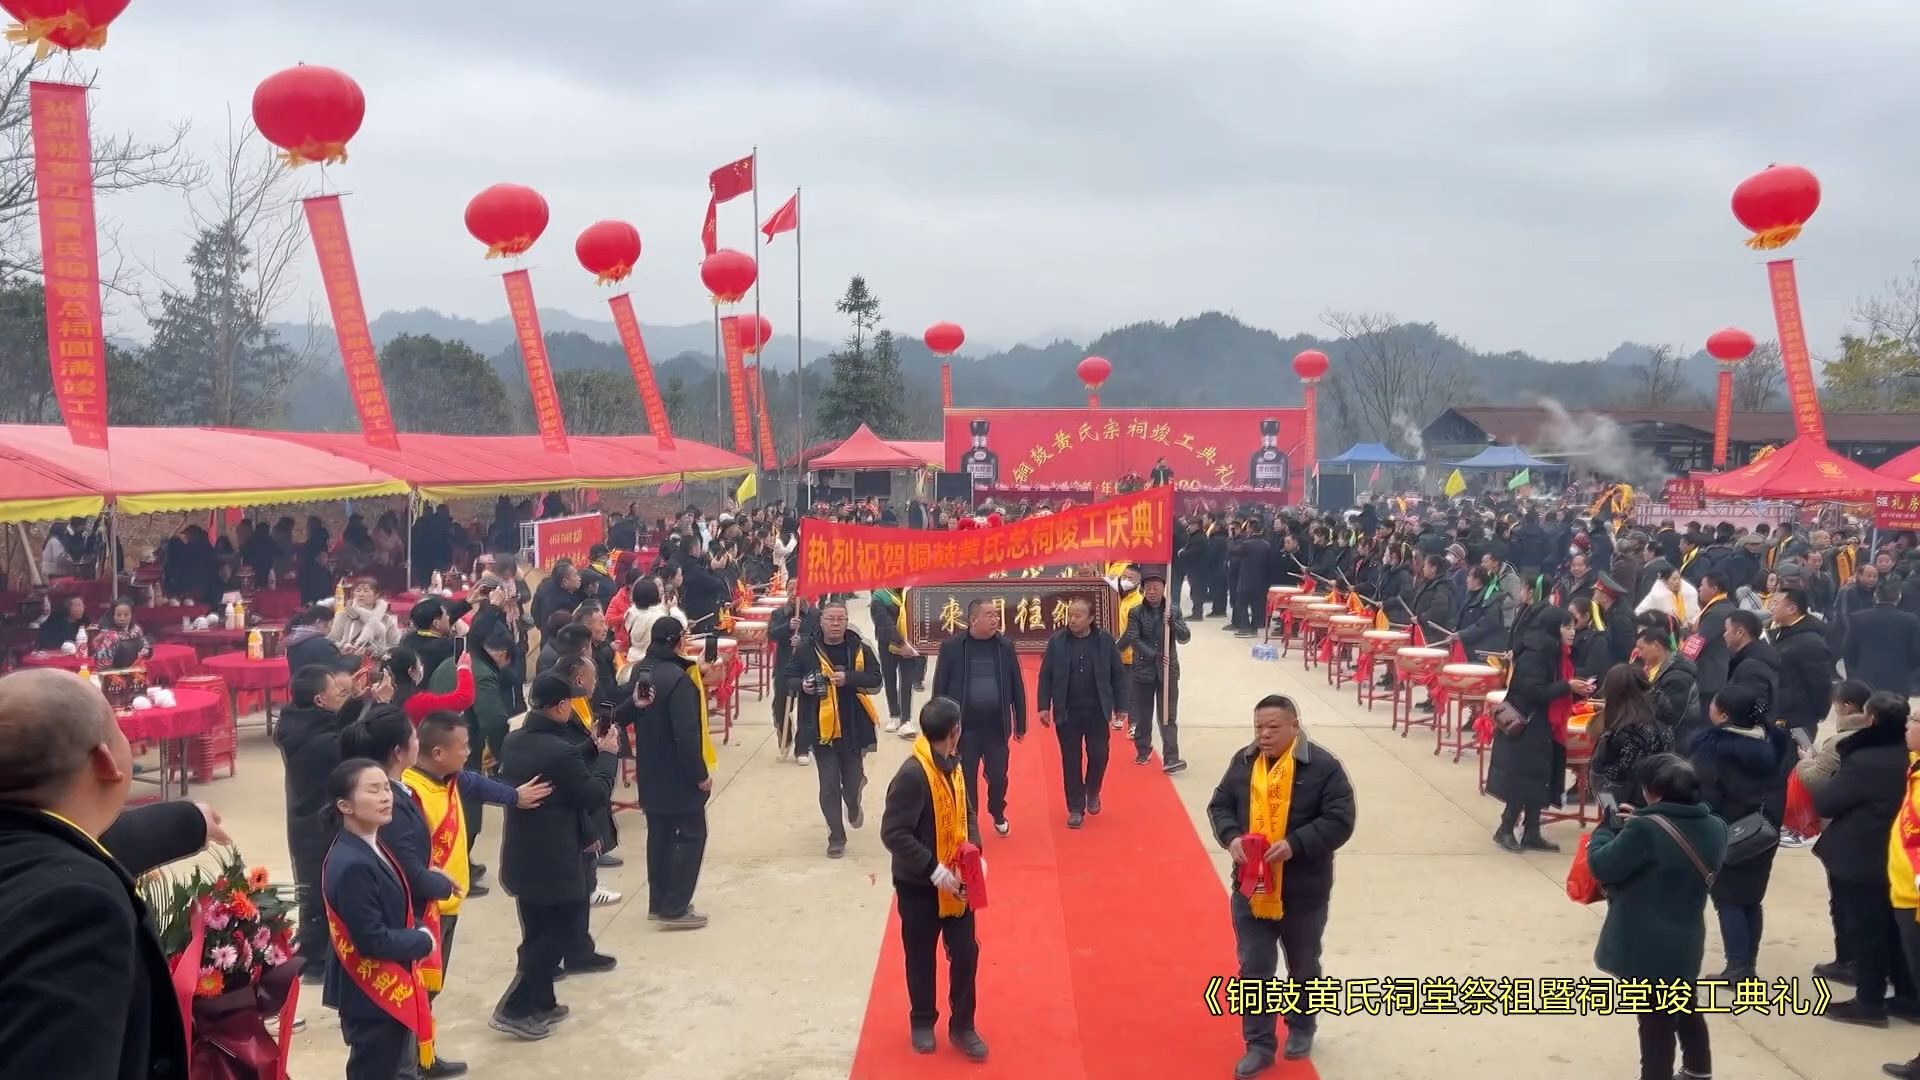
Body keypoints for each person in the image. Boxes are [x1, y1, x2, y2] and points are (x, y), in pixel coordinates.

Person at [0, 668, 225, 1080]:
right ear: (106, 760)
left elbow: (59, 842)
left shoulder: (29, 855)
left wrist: (187, 821)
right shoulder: (76, 908)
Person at [1206, 694, 1356, 1075]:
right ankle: (1258, 1043)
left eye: (1273, 728)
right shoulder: (1244, 761)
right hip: (1251, 889)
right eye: (1259, 728)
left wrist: (1295, 844)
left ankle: (1303, 1025)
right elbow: (1219, 805)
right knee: (1253, 966)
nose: (1265, 735)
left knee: (1303, 964)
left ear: (1294, 725)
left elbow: (1340, 819)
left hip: (1302, 890)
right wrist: (1230, 838)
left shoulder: (1322, 767)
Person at [404, 712, 550, 1074]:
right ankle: (411, 1062)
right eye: (463, 747)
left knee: (429, 991)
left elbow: (476, 784)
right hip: (425, 910)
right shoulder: (411, 795)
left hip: (447, 905)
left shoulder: (449, 778)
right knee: (419, 990)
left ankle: (422, 1055)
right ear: (438, 752)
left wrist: (513, 796)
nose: (469, 752)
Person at [492, 673, 620, 1040]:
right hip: (556, 858)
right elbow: (594, 793)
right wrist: (607, 756)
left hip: (522, 854)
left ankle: (542, 1001)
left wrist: (592, 750)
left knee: (535, 930)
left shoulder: (515, 740)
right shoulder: (559, 750)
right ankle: (514, 1007)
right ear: (561, 705)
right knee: (557, 934)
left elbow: (562, 768)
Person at [1585, 753, 1727, 1080]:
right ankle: (1697, 1069)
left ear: (1651, 791)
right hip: (1686, 937)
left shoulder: (1644, 832)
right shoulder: (1716, 827)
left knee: (1654, 1021)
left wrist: (1605, 831)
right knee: (1683, 1003)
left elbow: (1603, 865)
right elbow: (1674, 839)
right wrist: (1645, 818)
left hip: (1645, 942)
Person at [879, 697, 988, 1061]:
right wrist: (933, 869)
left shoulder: (955, 763)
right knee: (921, 956)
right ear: (953, 731)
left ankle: (963, 1025)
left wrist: (975, 852)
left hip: (958, 882)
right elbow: (894, 833)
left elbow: (967, 809)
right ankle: (922, 1020)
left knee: (966, 953)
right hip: (919, 886)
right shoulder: (913, 775)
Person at [320, 758, 438, 1080]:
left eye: (386, 787)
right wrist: (423, 939)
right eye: (373, 790)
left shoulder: (369, 844)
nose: (386, 796)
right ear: (345, 805)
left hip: (382, 987)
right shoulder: (353, 863)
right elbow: (372, 939)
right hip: (370, 995)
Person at [1809, 691, 1915, 1026]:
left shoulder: (1866, 760)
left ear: (1870, 719)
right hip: (1900, 859)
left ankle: (1868, 1002)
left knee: (1867, 931)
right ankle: (1908, 997)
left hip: (1862, 857)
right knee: (1898, 931)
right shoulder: (1907, 759)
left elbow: (1827, 802)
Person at [1688, 684, 1793, 981]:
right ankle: (1747, 965)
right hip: (1763, 831)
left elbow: (1705, 796)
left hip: (1727, 832)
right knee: (1751, 899)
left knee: (1728, 900)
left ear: (1723, 715)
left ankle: (1737, 967)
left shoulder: (1712, 749)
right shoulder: (1774, 743)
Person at [618, 617, 716, 928]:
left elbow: (626, 712)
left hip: (649, 770)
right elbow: (686, 735)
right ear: (677, 640)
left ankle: (657, 902)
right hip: (677, 775)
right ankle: (675, 907)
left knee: (658, 837)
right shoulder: (678, 680)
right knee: (691, 835)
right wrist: (700, 775)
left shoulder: (641, 671)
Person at [275, 664, 357, 983]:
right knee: (319, 888)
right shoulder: (319, 742)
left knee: (316, 885)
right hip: (315, 821)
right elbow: (350, 744)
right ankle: (316, 959)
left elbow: (340, 726)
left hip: (308, 817)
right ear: (320, 700)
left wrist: (357, 702)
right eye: (339, 692)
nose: (343, 696)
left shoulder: (298, 721)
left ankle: (317, 953)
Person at [1488, 606, 1592, 853]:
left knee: (1540, 778)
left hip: (1548, 723)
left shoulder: (1558, 652)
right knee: (1524, 777)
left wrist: (1574, 690)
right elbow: (1532, 692)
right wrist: (1567, 686)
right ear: (1552, 628)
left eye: (1572, 625)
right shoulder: (1535, 653)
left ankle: (1532, 831)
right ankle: (1505, 828)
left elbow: (1555, 688)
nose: (1572, 631)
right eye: (1566, 626)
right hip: (1529, 723)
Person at [787, 601, 885, 858]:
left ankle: (853, 801)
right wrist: (803, 686)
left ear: (847, 620)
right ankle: (836, 836)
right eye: (830, 619)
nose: (835, 624)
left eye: (840, 619)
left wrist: (849, 678)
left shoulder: (859, 647)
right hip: (821, 728)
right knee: (828, 784)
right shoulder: (808, 649)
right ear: (821, 621)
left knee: (851, 782)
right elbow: (788, 677)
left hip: (853, 726)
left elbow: (876, 679)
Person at [931, 599, 1028, 838]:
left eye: (996, 615)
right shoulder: (953, 647)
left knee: (999, 776)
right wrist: (939, 727)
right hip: (964, 729)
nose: (995, 619)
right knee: (966, 779)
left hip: (996, 726)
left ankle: (997, 810)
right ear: (973, 619)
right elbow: (939, 687)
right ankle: (970, 823)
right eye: (989, 615)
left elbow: (1017, 684)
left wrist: (1021, 723)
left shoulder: (1004, 646)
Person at [1036, 598, 1128, 828]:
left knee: (1099, 755)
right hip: (1067, 712)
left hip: (1097, 711)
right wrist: (1043, 706)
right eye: (1070, 615)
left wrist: (1122, 706)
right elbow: (1046, 674)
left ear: (1091, 619)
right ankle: (1075, 807)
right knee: (1071, 760)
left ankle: (1093, 790)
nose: (1073, 619)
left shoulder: (1104, 641)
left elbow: (1118, 675)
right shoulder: (1057, 641)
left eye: (1078, 615)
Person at [1119, 568, 1190, 772]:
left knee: (1168, 715)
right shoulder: (1136, 612)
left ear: (1163, 589)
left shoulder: (1173, 611)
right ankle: (1143, 749)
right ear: (1143, 590)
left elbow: (1185, 638)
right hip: (1143, 669)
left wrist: (1173, 623)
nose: (1152, 592)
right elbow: (1133, 637)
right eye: (1148, 588)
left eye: (1156, 588)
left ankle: (1171, 757)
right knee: (1143, 714)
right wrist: (1153, 655)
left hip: (1168, 670)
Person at [1588, 663, 1671, 807]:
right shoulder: (1663, 724)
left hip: (1625, 809)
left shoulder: (1624, 732)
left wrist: (1611, 815)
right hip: (1659, 805)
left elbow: (1604, 779)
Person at [1844, 578, 1920, 697]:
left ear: (1875, 596)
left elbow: (1848, 650)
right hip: (1899, 677)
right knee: (1895, 711)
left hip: (1866, 676)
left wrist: (1857, 670)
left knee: (1868, 711)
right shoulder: (1910, 620)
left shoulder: (1857, 618)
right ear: (1899, 597)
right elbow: (1915, 652)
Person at [870, 586, 926, 737]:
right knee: (890, 679)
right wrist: (901, 643)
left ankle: (906, 719)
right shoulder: (880, 596)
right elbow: (883, 623)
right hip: (888, 644)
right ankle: (894, 715)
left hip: (911, 644)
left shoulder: (914, 592)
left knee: (907, 681)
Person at [331, 578, 405, 658]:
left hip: (378, 663)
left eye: (366, 591)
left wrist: (375, 650)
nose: (361, 594)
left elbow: (395, 646)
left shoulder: (386, 619)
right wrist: (343, 646)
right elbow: (331, 641)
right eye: (358, 590)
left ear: (376, 595)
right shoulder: (343, 615)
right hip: (347, 661)